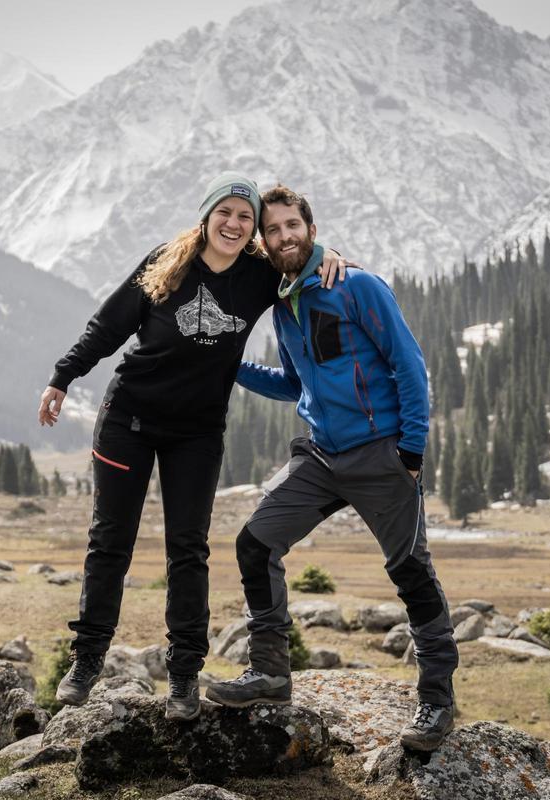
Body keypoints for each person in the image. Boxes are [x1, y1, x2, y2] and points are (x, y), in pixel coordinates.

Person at [38, 172, 348, 721]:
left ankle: (183, 677)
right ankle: (86, 660)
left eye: (245, 217)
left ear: (253, 230)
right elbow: (109, 326)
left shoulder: (258, 275)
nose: (234, 223)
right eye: (225, 212)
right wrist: (63, 377)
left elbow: (299, 256)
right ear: (206, 216)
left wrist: (330, 254)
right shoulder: (168, 262)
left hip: (198, 431)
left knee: (189, 548)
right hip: (128, 418)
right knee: (111, 540)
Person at [204, 185, 458, 752]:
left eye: (292, 225)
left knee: (411, 574)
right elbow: (294, 384)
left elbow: (408, 365)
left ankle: (437, 704)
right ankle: (270, 674)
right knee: (255, 543)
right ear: (264, 243)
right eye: (272, 231)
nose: (283, 235)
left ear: (311, 230)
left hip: (381, 453)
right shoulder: (284, 303)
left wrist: (410, 452)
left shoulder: (357, 285)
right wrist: (233, 365)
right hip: (321, 455)